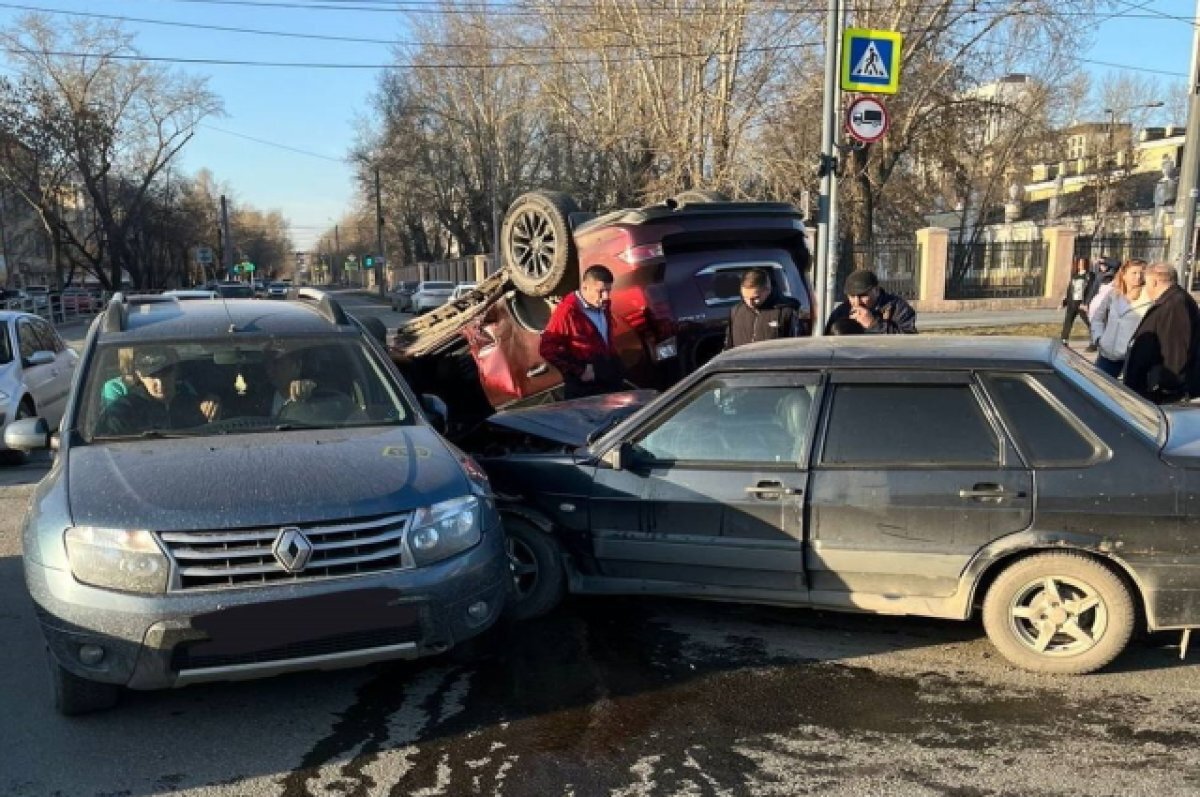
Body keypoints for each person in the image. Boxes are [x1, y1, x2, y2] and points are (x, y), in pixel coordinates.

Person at [540, 265, 625, 399]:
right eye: (601, 291)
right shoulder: (567, 312)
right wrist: (579, 371)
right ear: (585, 287)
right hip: (586, 389)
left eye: (609, 291)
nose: (606, 296)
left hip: (608, 379)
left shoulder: (602, 304)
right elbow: (547, 349)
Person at [96, 347, 218, 435]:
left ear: (175, 370)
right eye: (152, 376)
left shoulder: (195, 403)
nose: (160, 383)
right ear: (139, 376)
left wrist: (213, 409)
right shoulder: (121, 413)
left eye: (165, 373)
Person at [1124, 263, 1200, 404]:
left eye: (1146, 283)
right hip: (1151, 391)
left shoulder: (1175, 305)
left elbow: (1175, 353)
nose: (1145, 288)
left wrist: (1164, 388)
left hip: (1161, 396)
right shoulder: (1169, 301)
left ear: (1154, 282)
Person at [1089, 259, 1150, 377]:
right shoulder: (1113, 294)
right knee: (1098, 387)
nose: (1138, 277)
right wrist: (1098, 338)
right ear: (1124, 274)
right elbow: (1097, 318)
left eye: (1142, 273)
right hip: (1106, 355)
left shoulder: (1148, 298)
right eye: (1134, 273)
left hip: (1130, 359)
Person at [724, 268, 802, 349]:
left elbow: (794, 349)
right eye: (745, 297)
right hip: (742, 360)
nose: (750, 303)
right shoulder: (736, 311)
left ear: (768, 289)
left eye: (755, 298)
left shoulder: (787, 311)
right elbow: (728, 347)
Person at [825, 269, 917, 334]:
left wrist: (873, 324)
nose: (857, 302)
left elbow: (909, 341)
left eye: (863, 296)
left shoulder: (898, 307)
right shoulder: (841, 311)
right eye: (852, 296)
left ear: (876, 290)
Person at [1060, 257, 1093, 345]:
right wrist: (1065, 300)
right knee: (1068, 321)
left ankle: (1094, 340)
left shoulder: (1090, 275)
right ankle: (1064, 340)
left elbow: (1091, 290)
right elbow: (1070, 288)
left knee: (1089, 321)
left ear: (1086, 264)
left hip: (1082, 303)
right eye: (1079, 263)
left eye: (1082, 263)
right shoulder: (1074, 275)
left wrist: (1087, 302)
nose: (1080, 265)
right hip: (1072, 302)